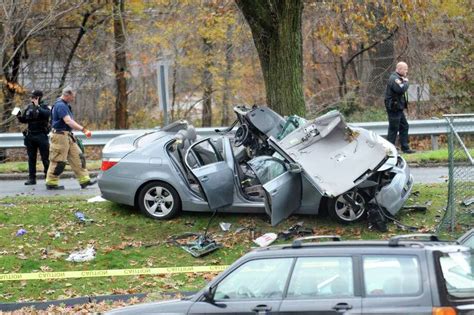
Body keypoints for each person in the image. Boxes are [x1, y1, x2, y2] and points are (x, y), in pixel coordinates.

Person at [45, 86, 96, 190]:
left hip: (67, 135)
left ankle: (84, 180)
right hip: (59, 136)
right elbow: (68, 121)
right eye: (73, 96)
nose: (73, 98)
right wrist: (84, 130)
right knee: (58, 160)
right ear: (67, 95)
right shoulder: (60, 105)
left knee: (78, 156)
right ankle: (51, 183)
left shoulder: (64, 104)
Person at [17, 90, 51, 185]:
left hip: (41, 135)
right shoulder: (29, 107)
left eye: (33, 97)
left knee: (45, 158)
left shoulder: (45, 106)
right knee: (31, 158)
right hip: (30, 135)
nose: (31, 99)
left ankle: (48, 178)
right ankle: (32, 178)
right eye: (31, 97)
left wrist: (37, 106)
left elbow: (47, 114)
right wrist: (18, 115)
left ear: (38, 97)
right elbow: (24, 120)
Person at [384, 61, 415, 154]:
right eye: (405, 69)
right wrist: (406, 82)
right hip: (394, 107)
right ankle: (389, 150)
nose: (406, 71)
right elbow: (400, 89)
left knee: (404, 126)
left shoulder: (399, 78)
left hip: (398, 107)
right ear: (399, 69)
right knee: (393, 128)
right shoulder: (394, 79)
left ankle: (405, 148)